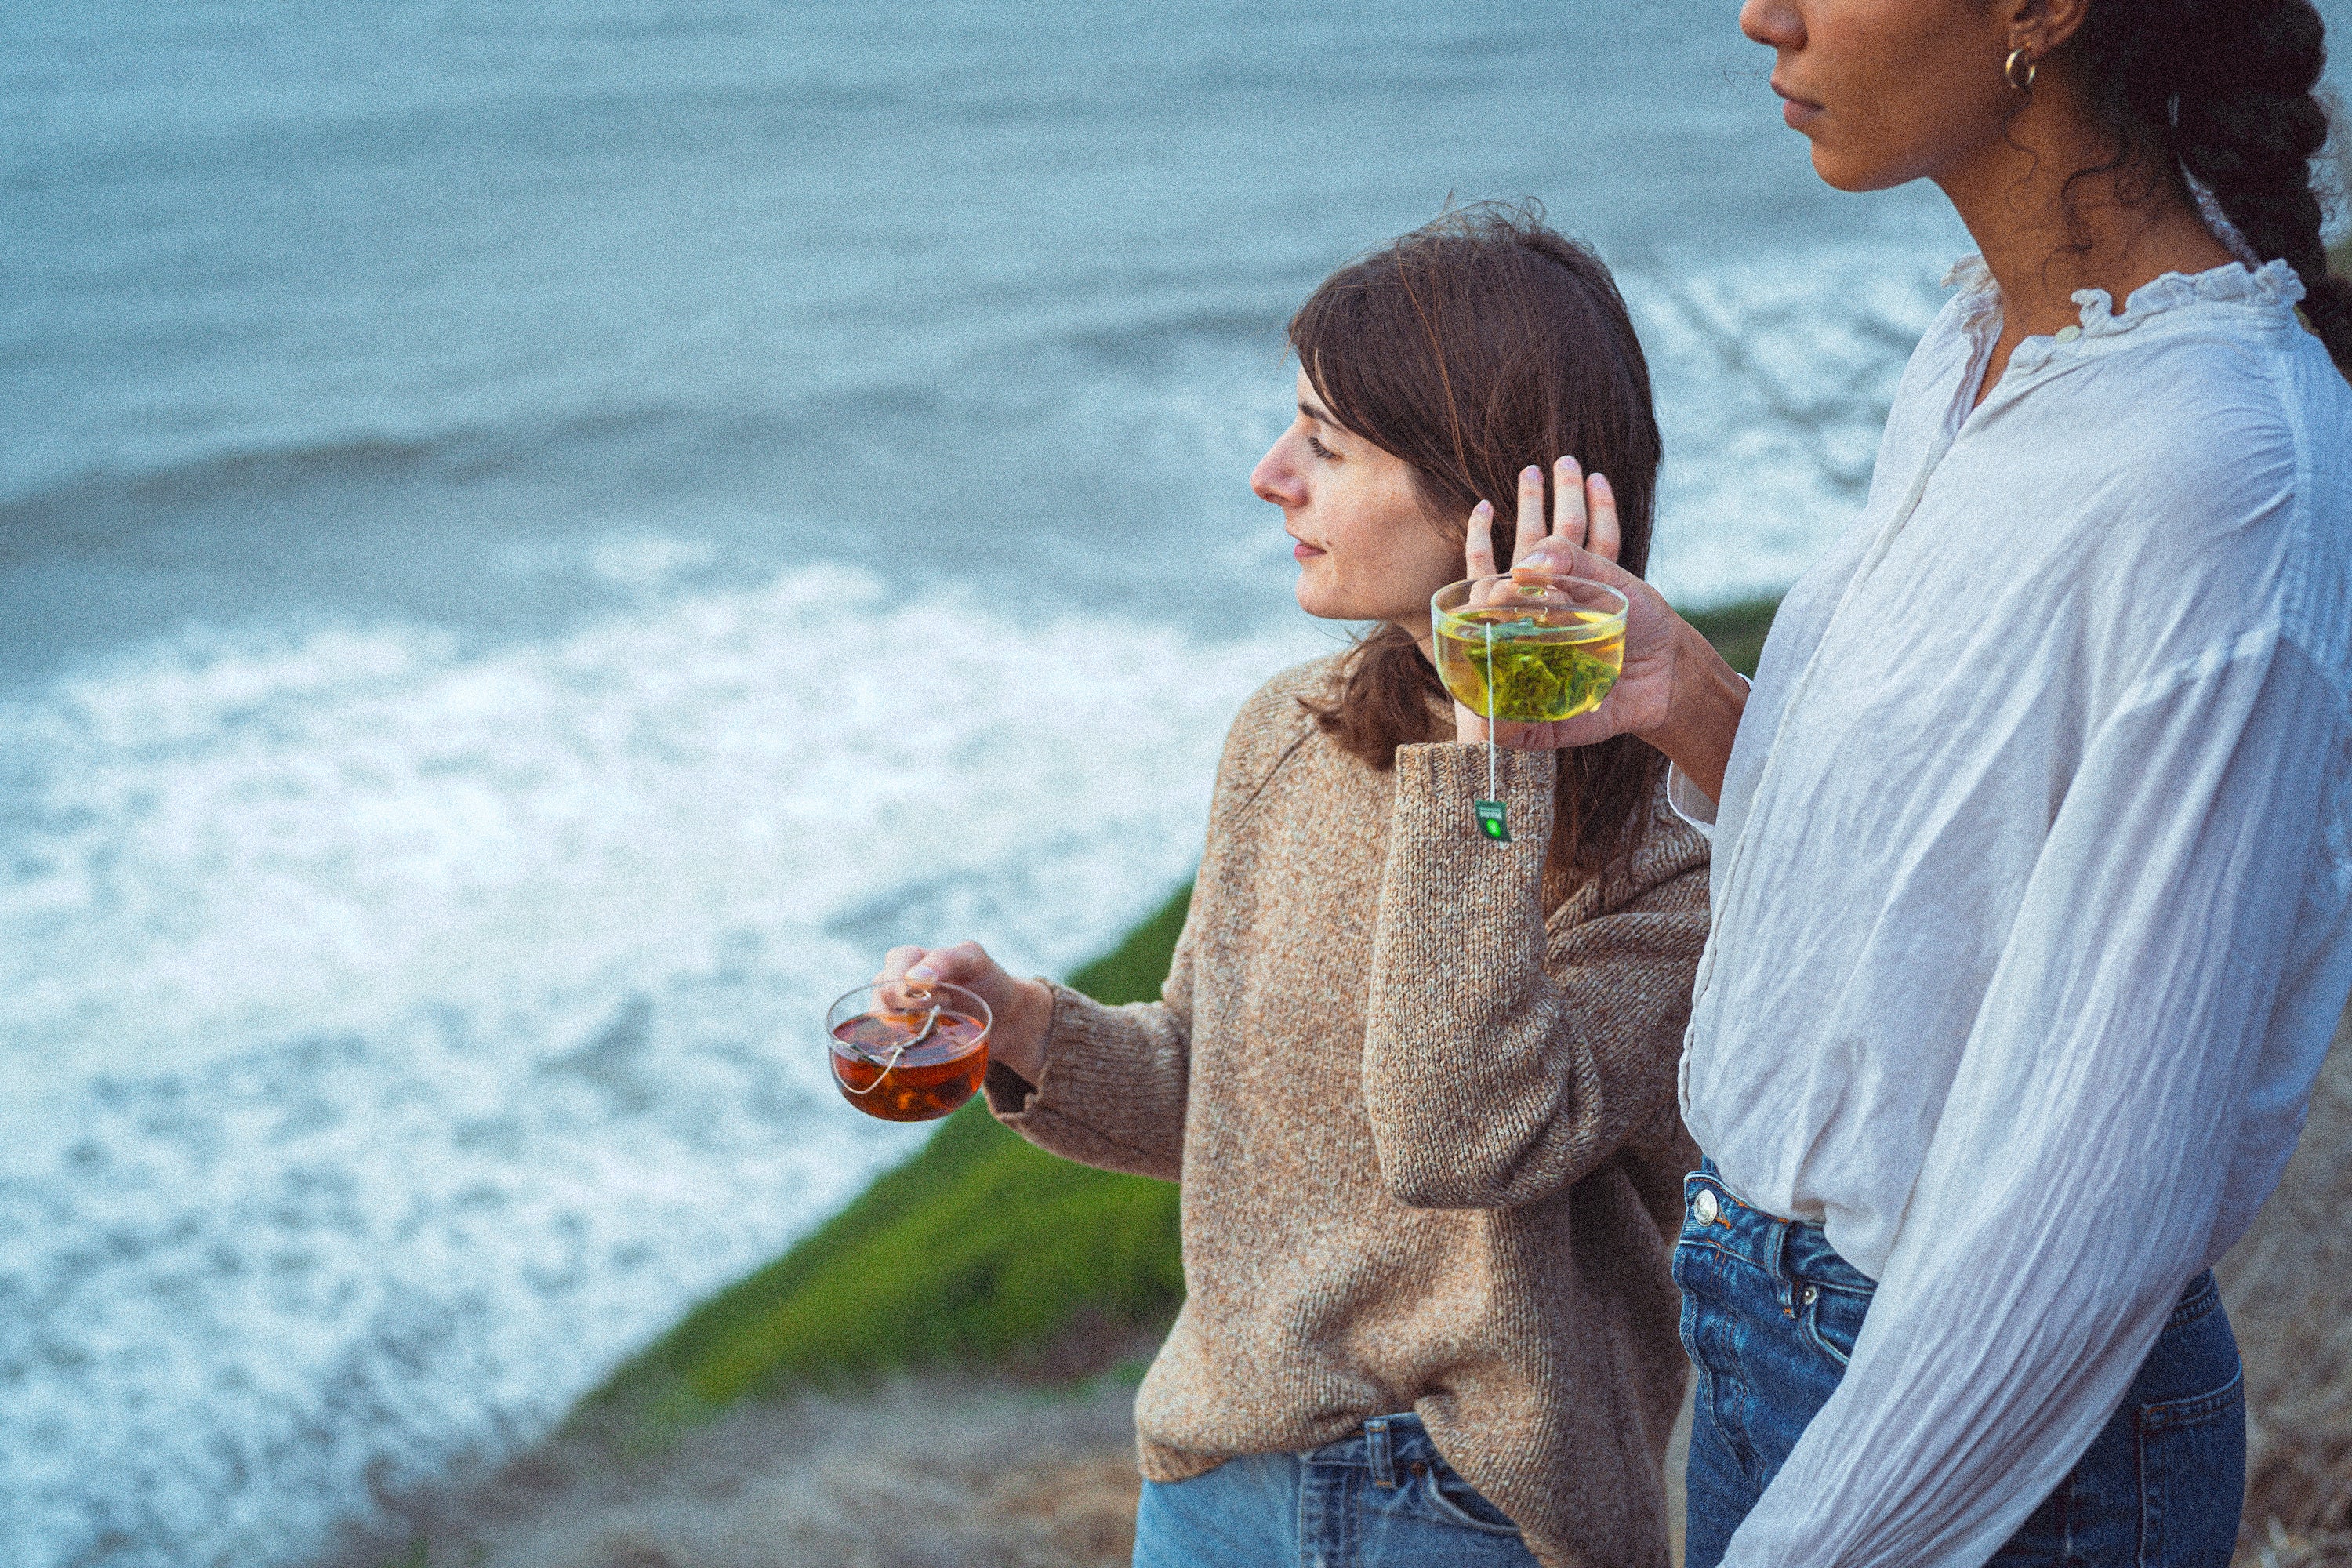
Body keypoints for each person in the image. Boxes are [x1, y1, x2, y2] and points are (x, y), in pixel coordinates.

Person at [1506, 0, 2352, 1564]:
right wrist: (1696, 702)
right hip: (1773, 1323)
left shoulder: (2213, 469)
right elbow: (1942, 887)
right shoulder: (1981, 347)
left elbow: (2102, 1200)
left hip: (1988, 1431)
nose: (1763, 14)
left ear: (2039, 11)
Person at [869, 207, 1708, 1568]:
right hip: (1212, 1488)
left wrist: (1492, 749)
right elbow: (1224, 1112)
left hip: (1471, 1515)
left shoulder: (1667, 847)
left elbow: (1459, 1139)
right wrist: (1027, 1027)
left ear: (1484, 491)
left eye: (1324, 445)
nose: (1270, 476)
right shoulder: (1291, 734)